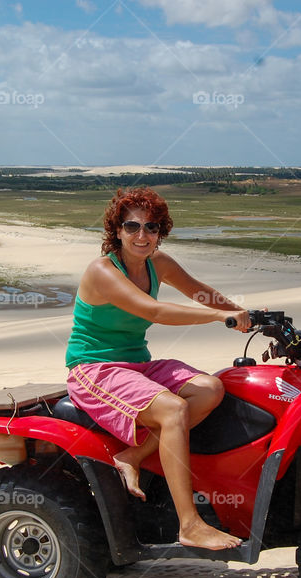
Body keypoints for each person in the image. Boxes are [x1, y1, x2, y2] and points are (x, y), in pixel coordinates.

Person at [64, 187, 250, 551]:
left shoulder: (158, 263)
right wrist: (219, 317)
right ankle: (190, 525)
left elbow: (200, 292)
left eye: (151, 227)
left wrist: (246, 315)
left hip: (137, 363)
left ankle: (132, 455)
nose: (142, 235)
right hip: (94, 368)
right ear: (116, 230)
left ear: (160, 231)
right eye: (132, 226)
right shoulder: (103, 270)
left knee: (210, 388)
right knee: (174, 409)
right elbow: (154, 312)